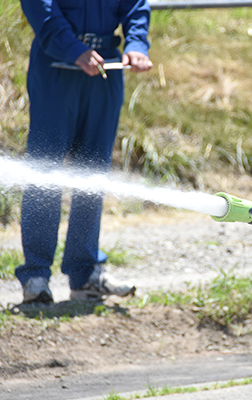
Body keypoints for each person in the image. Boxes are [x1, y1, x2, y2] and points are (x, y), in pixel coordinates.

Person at [17, 0, 153, 304]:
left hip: (106, 69)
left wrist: (136, 44)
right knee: (45, 172)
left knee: (93, 173)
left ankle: (85, 273)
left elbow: (135, 7)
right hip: (56, 67)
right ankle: (36, 276)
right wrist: (74, 49)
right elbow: (42, 10)